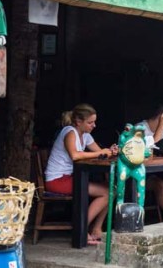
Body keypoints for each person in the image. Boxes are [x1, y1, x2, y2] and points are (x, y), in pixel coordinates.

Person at [45, 103, 117, 245]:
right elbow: (75, 155)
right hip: (57, 180)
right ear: (78, 122)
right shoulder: (69, 132)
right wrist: (101, 153)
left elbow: (99, 153)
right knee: (107, 192)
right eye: (90, 122)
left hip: (71, 178)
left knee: (112, 190)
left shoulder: (86, 136)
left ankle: (96, 229)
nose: (94, 125)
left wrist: (110, 151)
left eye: (94, 122)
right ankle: (81, 230)